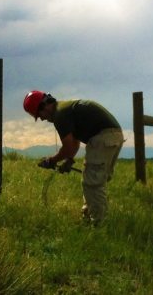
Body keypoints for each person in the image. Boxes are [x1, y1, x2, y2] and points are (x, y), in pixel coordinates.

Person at [23, 90, 124, 224]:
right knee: (95, 180)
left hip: (103, 137)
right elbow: (74, 141)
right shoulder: (64, 108)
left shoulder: (60, 115)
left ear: (44, 106)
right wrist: (69, 160)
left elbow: (68, 147)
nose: (42, 118)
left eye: (39, 114)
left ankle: (98, 224)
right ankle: (89, 218)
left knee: (92, 182)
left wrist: (51, 161)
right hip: (113, 135)